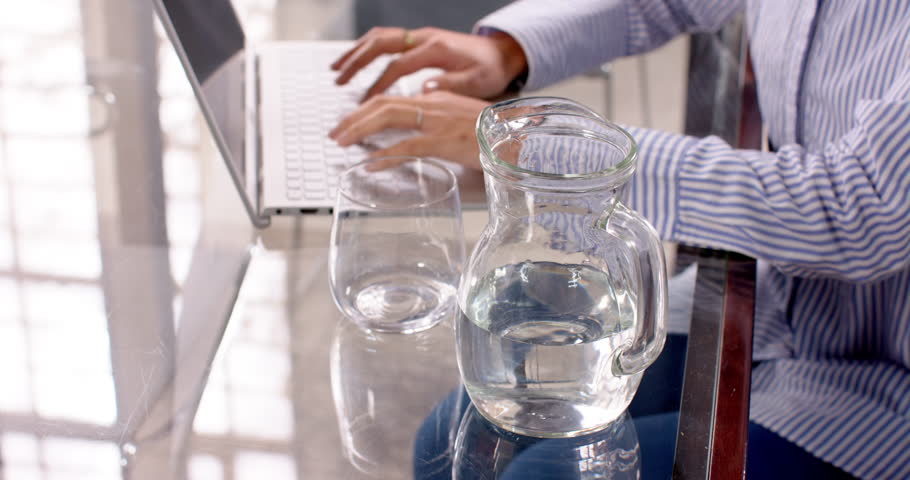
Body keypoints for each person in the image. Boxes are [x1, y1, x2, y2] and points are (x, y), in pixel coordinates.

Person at [329, 1, 910, 478]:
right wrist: (507, 49)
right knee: (449, 445)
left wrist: (542, 150)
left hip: (883, 383)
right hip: (770, 301)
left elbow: (857, 204)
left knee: (540, 476)